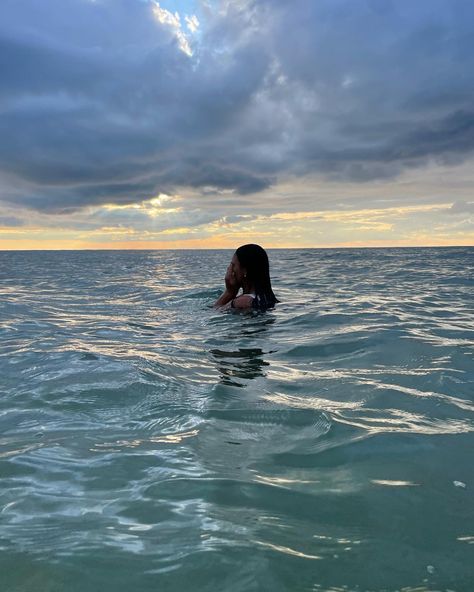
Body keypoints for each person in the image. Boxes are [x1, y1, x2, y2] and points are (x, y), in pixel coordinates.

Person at [214, 244, 278, 311]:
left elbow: (215, 312)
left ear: (245, 271)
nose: (230, 269)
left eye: (233, 265)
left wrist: (229, 292)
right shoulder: (267, 298)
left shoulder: (242, 302)